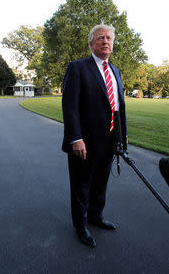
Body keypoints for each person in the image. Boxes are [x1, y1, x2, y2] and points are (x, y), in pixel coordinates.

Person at [61, 24, 127, 247]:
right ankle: (80, 226)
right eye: (100, 38)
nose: (105, 41)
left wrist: (121, 139)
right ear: (91, 44)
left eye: (109, 38)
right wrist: (75, 138)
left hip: (109, 141)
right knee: (81, 185)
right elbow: (70, 106)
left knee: (101, 183)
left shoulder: (115, 71)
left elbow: (118, 107)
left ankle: (96, 217)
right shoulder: (77, 68)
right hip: (84, 142)